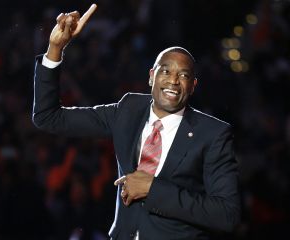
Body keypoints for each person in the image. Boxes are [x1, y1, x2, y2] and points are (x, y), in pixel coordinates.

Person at [32, 4, 240, 239]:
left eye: (183, 75)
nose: (173, 80)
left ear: (193, 86)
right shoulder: (128, 110)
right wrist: (55, 49)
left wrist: (153, 190)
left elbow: (227, 215)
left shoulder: (212, 134)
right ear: (151, 76)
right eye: (166, 71)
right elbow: (48, 117)